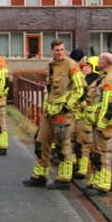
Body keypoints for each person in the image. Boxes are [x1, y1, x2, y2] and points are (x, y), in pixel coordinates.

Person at [23, 38, 85, 188]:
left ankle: (64, 179)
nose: (60, 53)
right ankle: (40, 175)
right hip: (49, 112)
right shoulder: (50, 66)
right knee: (41, 143)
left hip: (62, 114)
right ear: (52, 50)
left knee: (63, 146)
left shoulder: (71, 65)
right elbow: (50, 90)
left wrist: (67, 106)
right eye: (57, 50)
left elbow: (81, 89)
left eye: (62, 50)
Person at [83, 52, 112, 196]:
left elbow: (110, 105)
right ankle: (95, 181)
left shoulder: (110, 79)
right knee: (97, 154)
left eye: (99, 61)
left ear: (103, 63)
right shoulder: (105, 76)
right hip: (98, 124)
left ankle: (103, 185)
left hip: (105, 127)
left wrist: (102, 124)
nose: (98, 63)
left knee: (104, 155)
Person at [73, 54, 101, 179]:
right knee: (74, 141)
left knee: (84, 144)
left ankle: (82, 169)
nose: (85, 68)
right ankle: (75, 164)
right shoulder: (85, 80)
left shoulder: (97, 84)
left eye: (88, 66)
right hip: (79, 116)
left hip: (88, 119)